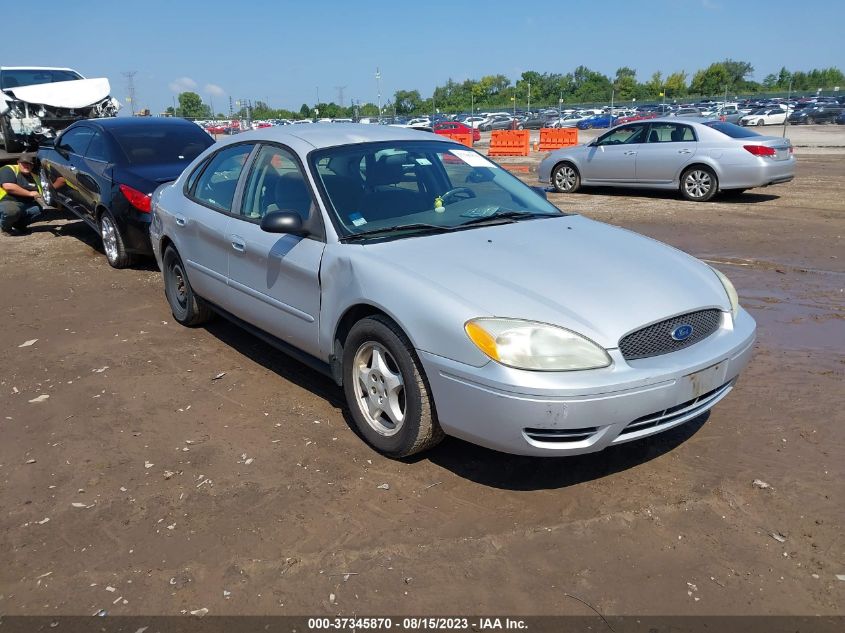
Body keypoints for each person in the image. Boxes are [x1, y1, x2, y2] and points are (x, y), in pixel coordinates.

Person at [0, 154, 46, 235]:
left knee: (42, 210)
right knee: (11, 211)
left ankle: (18, 225)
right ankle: (6, 228)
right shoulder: (9, 169)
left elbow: (40, 193)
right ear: (18, 163)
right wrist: (30, 193)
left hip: (26, 204)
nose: (27, 165)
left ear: (32, 166)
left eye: (30, 164)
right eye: (24, 163)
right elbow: (8, 186)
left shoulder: (35, 177)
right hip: (6, 201)